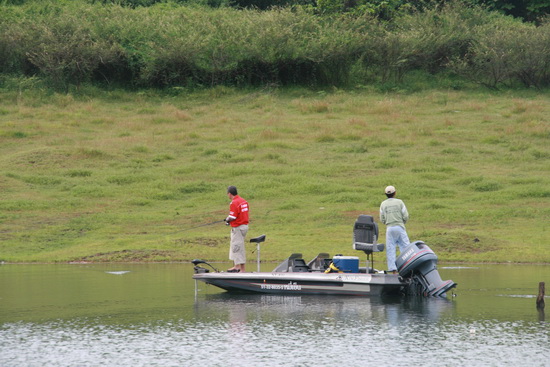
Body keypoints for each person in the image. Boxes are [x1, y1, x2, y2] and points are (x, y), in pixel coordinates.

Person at [379, 185, 410, 274]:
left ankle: (394, 271)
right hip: (400, 227)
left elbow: (382, 219)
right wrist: (402, 222)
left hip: (389, 228)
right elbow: (406, 216)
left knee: (390, 249)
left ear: (385, 194)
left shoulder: (383, 204)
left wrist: (387, 222)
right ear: (395, 193)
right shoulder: (400, 202)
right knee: (405, 248)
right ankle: (407, 267)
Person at [225, 186, 249, 273]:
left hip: (238, 228)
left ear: (229, 194)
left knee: (237, 247)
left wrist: (227, 220)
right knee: (238, 246)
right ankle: (238, 266)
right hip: (244, 226)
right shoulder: (244, 201)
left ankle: (239, 268)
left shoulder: (234, 202)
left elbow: (232, 216)